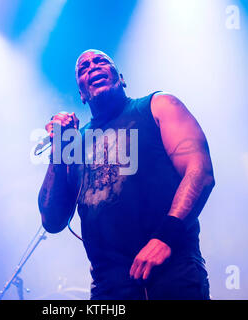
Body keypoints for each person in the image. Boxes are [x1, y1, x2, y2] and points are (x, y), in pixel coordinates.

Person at [38, 49, 215, 300]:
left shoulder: (157, 106)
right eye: (83, 68)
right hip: (108, 287)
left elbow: (200, 171)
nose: (92, 67)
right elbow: (52, 220)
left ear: (120, 78)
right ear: (81, 94)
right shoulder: (75, 145)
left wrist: (165, 237)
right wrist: (58, 147)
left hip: (172, 270)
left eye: (101, 61)